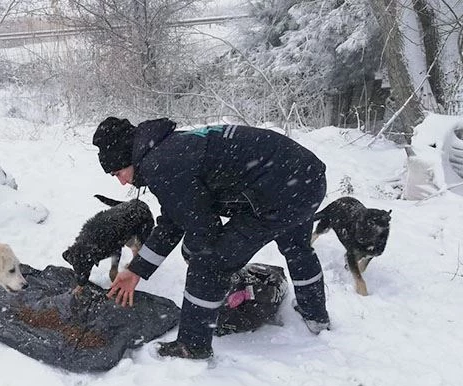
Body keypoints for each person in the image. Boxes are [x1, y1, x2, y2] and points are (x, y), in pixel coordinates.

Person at [92, 117, 330, 360]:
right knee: (298, 248)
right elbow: (175, 218)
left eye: (118, 173)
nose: (122, 182)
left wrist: (200, 260)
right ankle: (315, 315)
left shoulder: (160, 165)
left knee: (207, 262)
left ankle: (192, 346)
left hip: (280, 191)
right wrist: (137, 270)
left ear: (128, 159)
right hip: (305, 176)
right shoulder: (168, 146)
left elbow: (203, 227)